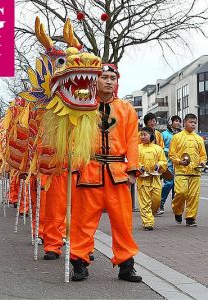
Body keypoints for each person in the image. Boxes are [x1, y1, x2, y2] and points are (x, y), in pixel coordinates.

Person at [70, 64, 142, 282]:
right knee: (83, 222)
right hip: (88, 172)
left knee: (122, 223)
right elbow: (71, 138)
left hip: (118, 174)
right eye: (104, 77)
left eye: (113, 77)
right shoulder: (81, 108)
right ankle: (79, 263)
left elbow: (132, 141)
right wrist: (74, 168)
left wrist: (133, 170)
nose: (109, 81)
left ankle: (126, 265)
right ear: (95, 80)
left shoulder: (126, 109)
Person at [169, 113, 207, 227]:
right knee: (181, 193)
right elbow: (172, 154)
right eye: (191, 122)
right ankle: (177, 211)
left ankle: (190, 218)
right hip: (181, 171)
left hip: (195, 171)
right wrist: (179, 161)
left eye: (195, 123)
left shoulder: (199, 139)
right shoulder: (177, 137)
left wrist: (203, 162)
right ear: (184, 123)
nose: (193, 124)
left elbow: (203, 155)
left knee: (193, 196)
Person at [137, 127, 167, 230]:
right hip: (142, 179)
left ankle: (150, 215)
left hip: (155, 179)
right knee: (144, 202)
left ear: (151, 136)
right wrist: (139, 167)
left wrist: (159, 165)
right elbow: (134, 161)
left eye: (145, 134)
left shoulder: (158, 148)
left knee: (156, 200)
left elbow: (163, 161)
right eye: (141, 135)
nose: (142, 137)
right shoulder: (137, 148)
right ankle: (148, 223)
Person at [157, 115, 182, 215]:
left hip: (179, 163)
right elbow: (160, 147)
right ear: (170, 122)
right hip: (167, 162)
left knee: (177, 186)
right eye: (176, 121)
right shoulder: (164, 134)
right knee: (169, 183)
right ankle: (160, 204)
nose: (178, 123)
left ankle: (175, 206)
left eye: (179, 121)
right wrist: (168, 151)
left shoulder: (182, 135)